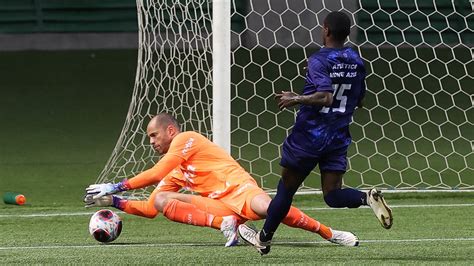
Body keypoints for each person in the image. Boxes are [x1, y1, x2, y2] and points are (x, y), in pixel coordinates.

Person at [238, 11, 393, 255]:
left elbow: (326, 96)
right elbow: (359, 100)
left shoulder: (319, 60)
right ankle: (366, 198)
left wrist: (295, 97)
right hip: (338, 137)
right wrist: (315, 75)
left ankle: (264, 238)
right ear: (347, 33)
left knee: (285, 191)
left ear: (326, 31)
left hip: (309, 137)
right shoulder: (356, 59)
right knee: (332, 194)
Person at [85, 113, 359, 247]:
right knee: (162, 199)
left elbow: (155, 172)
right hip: (220, 207)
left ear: (170, 130)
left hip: (240, 189)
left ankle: (330, 234)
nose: (152, 142)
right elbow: (151, 208)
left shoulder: (186, 139)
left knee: (270, 208)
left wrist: (117, 184)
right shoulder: (176, 170)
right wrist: (115, 201)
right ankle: (225, 224)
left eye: (154, 135)